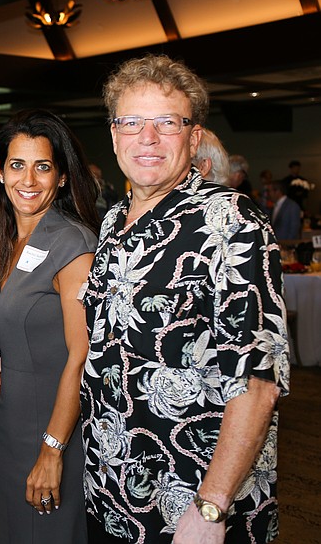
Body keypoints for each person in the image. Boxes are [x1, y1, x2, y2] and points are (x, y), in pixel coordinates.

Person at [81, 54, 290, 544]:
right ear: (114, 135)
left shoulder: (232, 224)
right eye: (131, 122)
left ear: (194, 137)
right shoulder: (112, 222)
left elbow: (258, 383)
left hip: (194, 508)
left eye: (166, 123)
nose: (147, 139)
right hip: (112, 497)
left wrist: (211, 509)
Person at [0, 109, 99, 543]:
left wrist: (52, 450)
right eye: (16, 165)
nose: (28, 180)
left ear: (62, 177)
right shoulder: (3, 238)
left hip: (54, 425)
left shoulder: (73, 243)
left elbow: (81, 355)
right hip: (10, 421)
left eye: (42, 167)